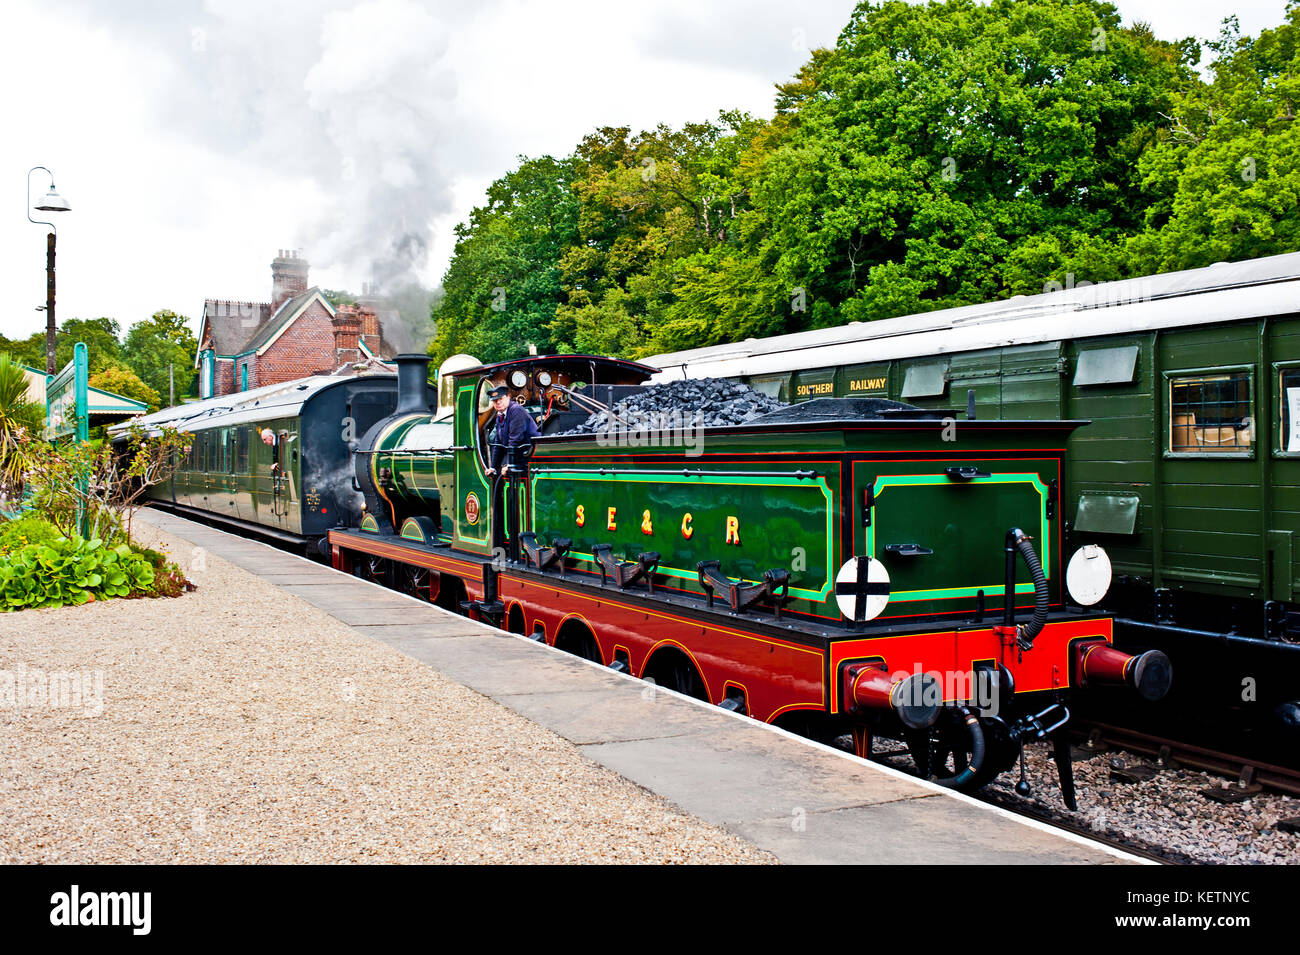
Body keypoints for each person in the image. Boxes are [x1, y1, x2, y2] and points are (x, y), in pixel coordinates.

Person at [484, 384, 539, 477]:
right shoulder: (500, 415)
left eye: (500, 399)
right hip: (520, 457)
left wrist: (509, 465)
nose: (498, 402)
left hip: (530, 458)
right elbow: (498, 443)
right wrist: (493, 468)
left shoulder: (516, 410)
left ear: (508, 397)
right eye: (494, 401)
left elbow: (515, 439)